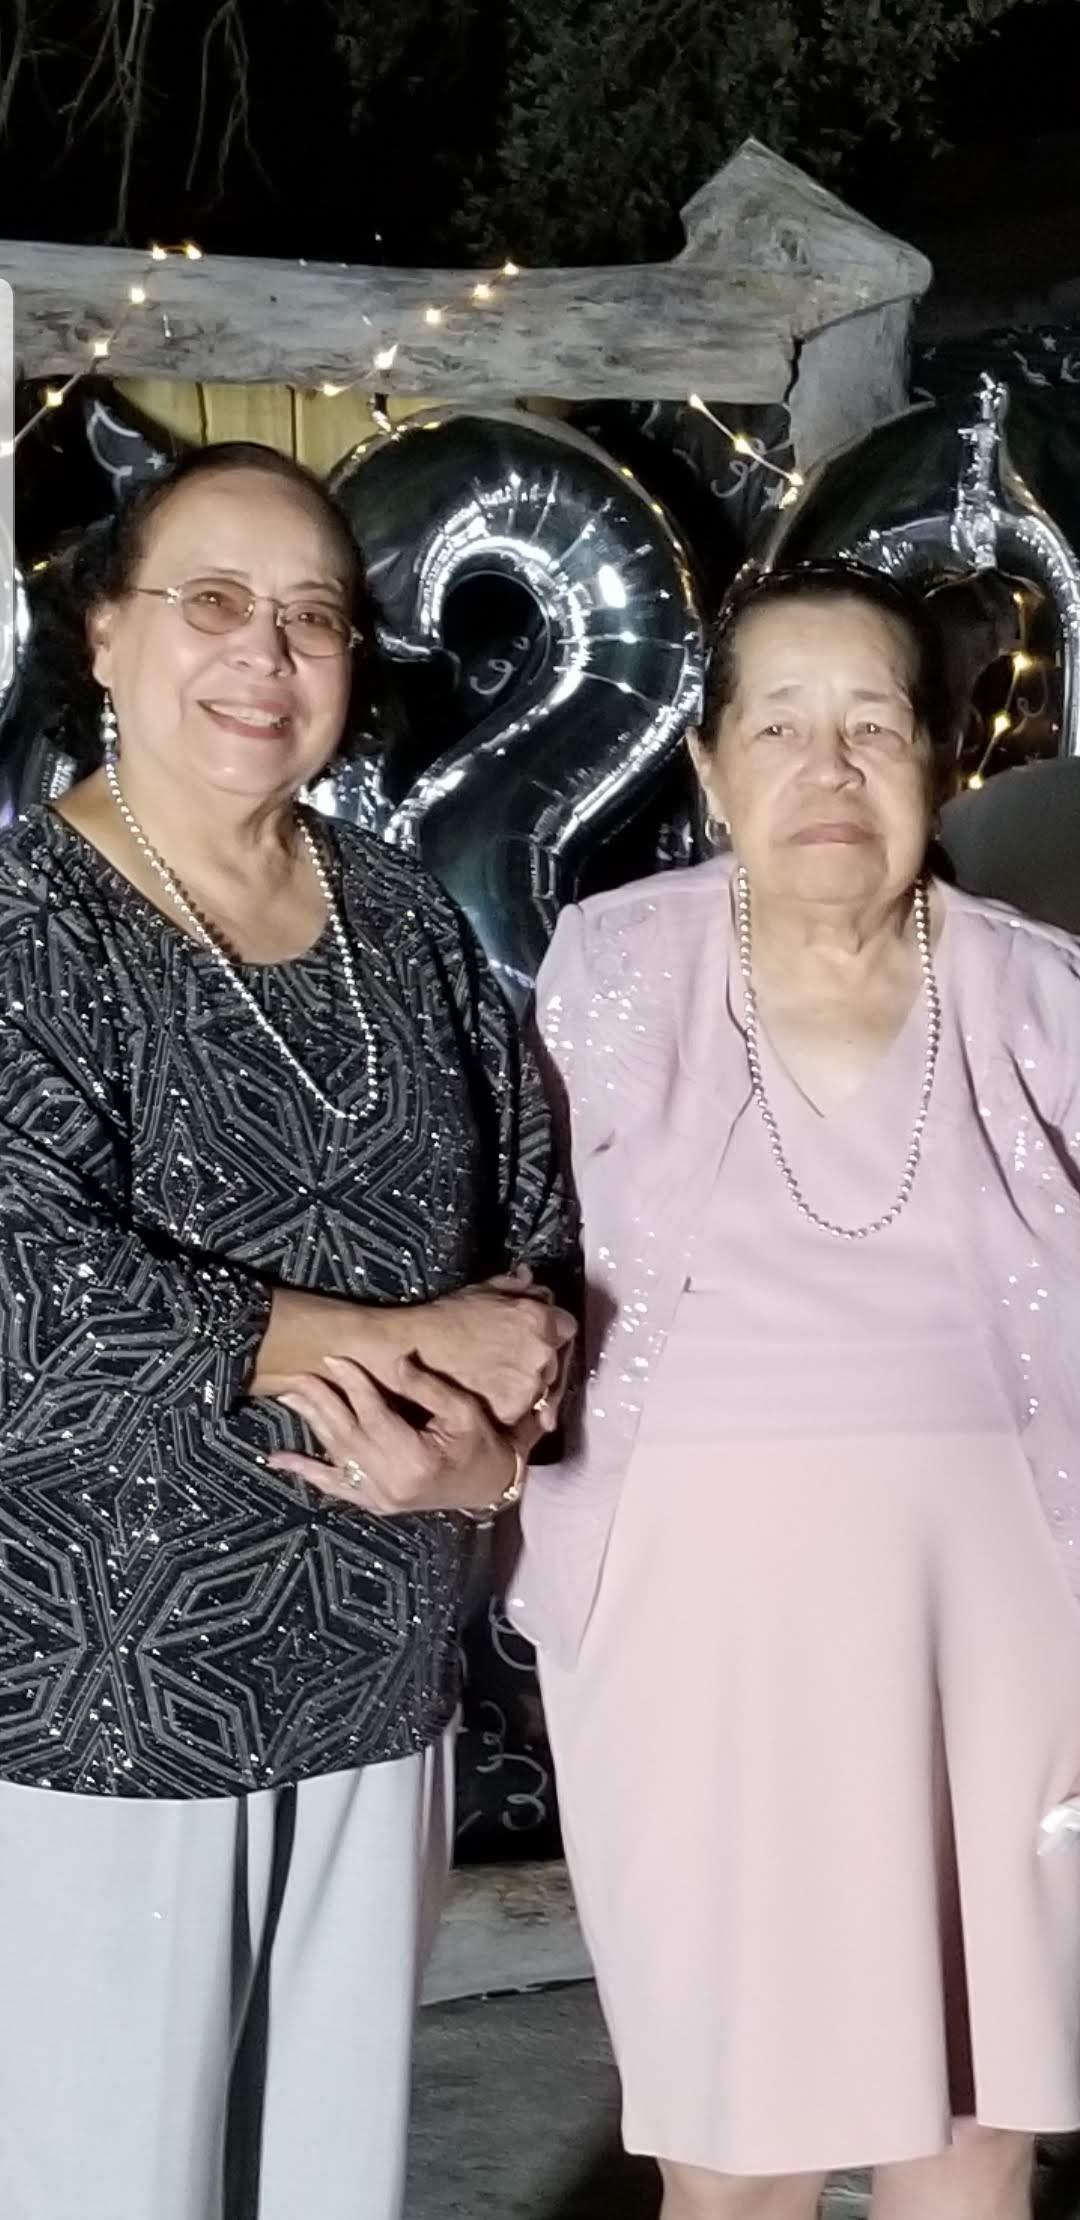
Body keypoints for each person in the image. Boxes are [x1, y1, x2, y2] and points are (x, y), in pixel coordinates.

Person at [0, 440, 577, 2220]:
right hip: (109, 1695)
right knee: (112, 2181)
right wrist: (399, 1329)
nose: (267, 653)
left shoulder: (400, 922)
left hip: (374, 1666)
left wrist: (498, 1442)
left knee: (332, 2183)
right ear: (104, 633)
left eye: (313, 617)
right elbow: (26, 1286)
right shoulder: (27, 920)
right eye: (215, 603)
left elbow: (529, 1240)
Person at [499, 561, 1080, 2220]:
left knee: (971, 2150)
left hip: (1011, 1634)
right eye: (782, 726)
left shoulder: (1040, 992)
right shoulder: (617, 972)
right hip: (695, 1636)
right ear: (708, 768)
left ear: (942, 759)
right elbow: (502, 1245)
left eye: (874, 727)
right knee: (733, 2149)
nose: (829, 773)